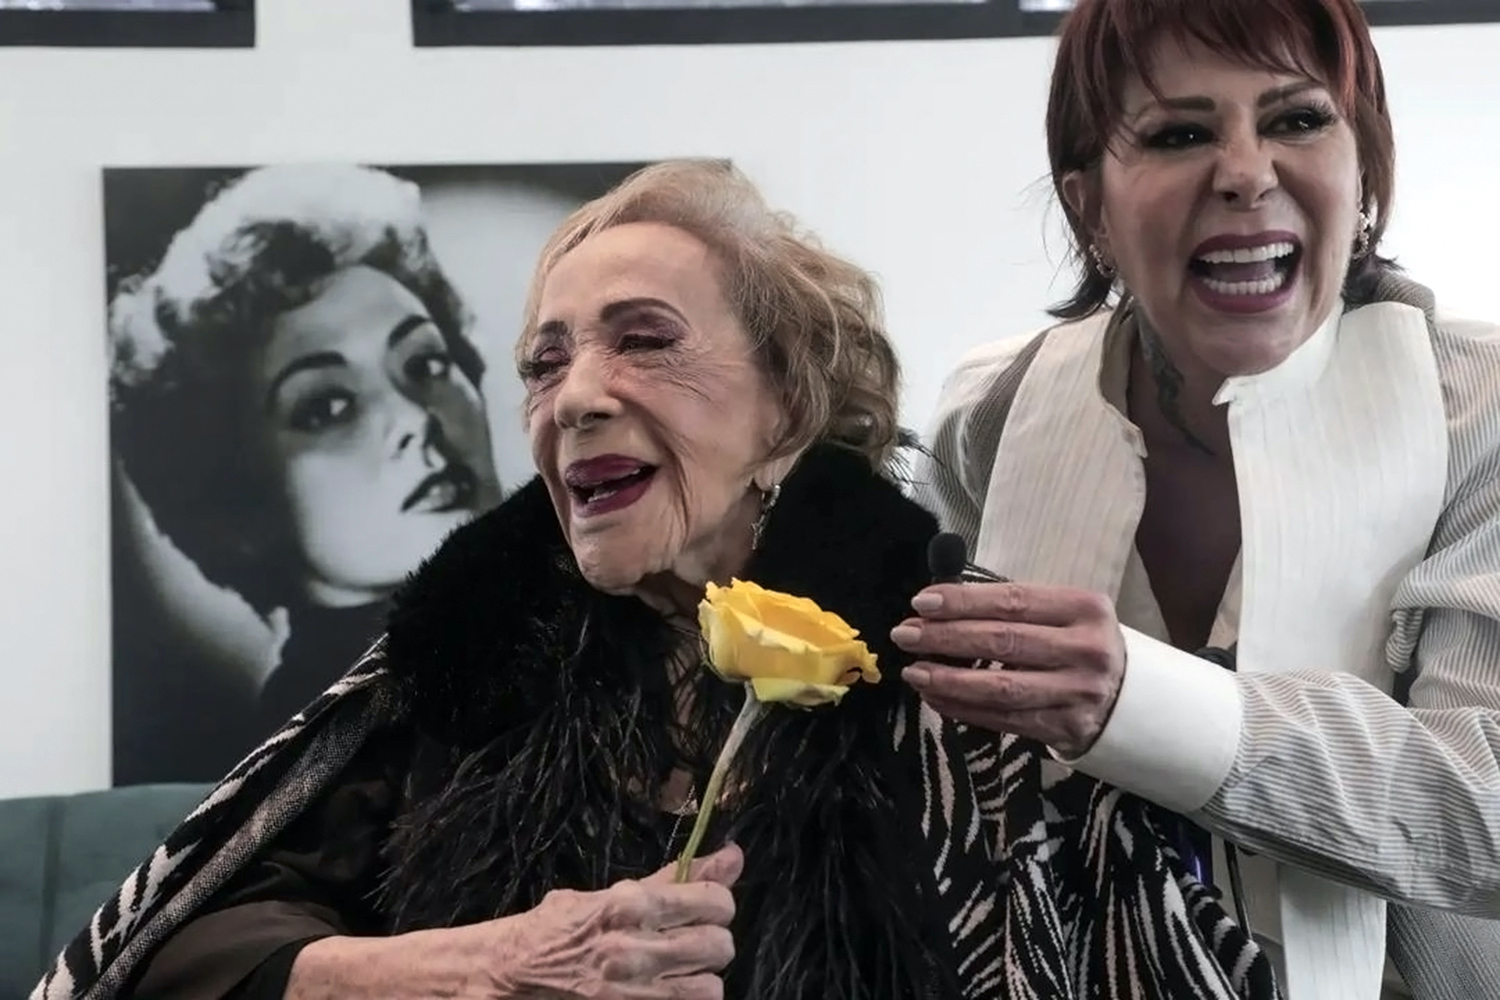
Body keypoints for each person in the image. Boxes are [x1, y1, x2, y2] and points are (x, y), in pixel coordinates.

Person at [39, 160, 1279, 1000]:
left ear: (791, 400)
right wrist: (473, 967)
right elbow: (173, 950)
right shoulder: (459, 667)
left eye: (644, 339)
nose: (575, 395)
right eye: (544, 362)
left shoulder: (975, 669)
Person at [896, 2, 1500, 999]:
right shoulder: (990, 418)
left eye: (1299, 119)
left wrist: (1147, 707)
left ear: (1365, 171)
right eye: (1180, 133)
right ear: (1089, 206)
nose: (1248, 173)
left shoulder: (1475, 411)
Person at [107, 164, 504, 759]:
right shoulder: (321, 743)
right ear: (241, 500)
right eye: (327, 407)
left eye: (424, 365)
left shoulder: (543, 642)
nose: (416, 420)